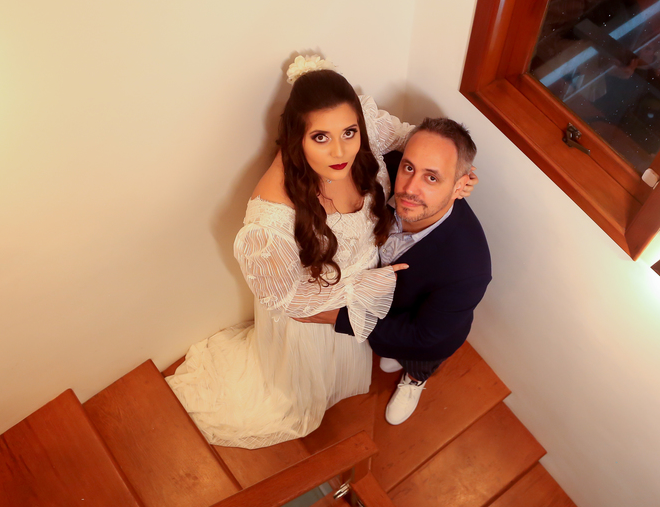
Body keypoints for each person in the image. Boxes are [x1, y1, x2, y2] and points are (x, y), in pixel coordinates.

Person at [165, 57, 413, 448]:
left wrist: (453, 172)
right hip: (316, 317)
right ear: (297, 137)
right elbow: (289, 301)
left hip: (352, 298)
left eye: (349, 132)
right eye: (321, 137)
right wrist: (355, 301)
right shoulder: (271, 221)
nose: (340, 151)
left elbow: (407, 137)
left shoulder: (362, 128)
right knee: (304, 384)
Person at [296, 118, 491, 425]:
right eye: (409, 168)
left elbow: (422, 335)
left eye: (432, 178)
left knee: (418, 358)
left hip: (429, 336)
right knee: (388, 346)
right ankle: (392, 352)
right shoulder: (387, 168)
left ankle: (414, 380)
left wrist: (338, 317)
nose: (409, 189)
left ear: (459, 187)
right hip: (386, 304)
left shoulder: (470, 269)